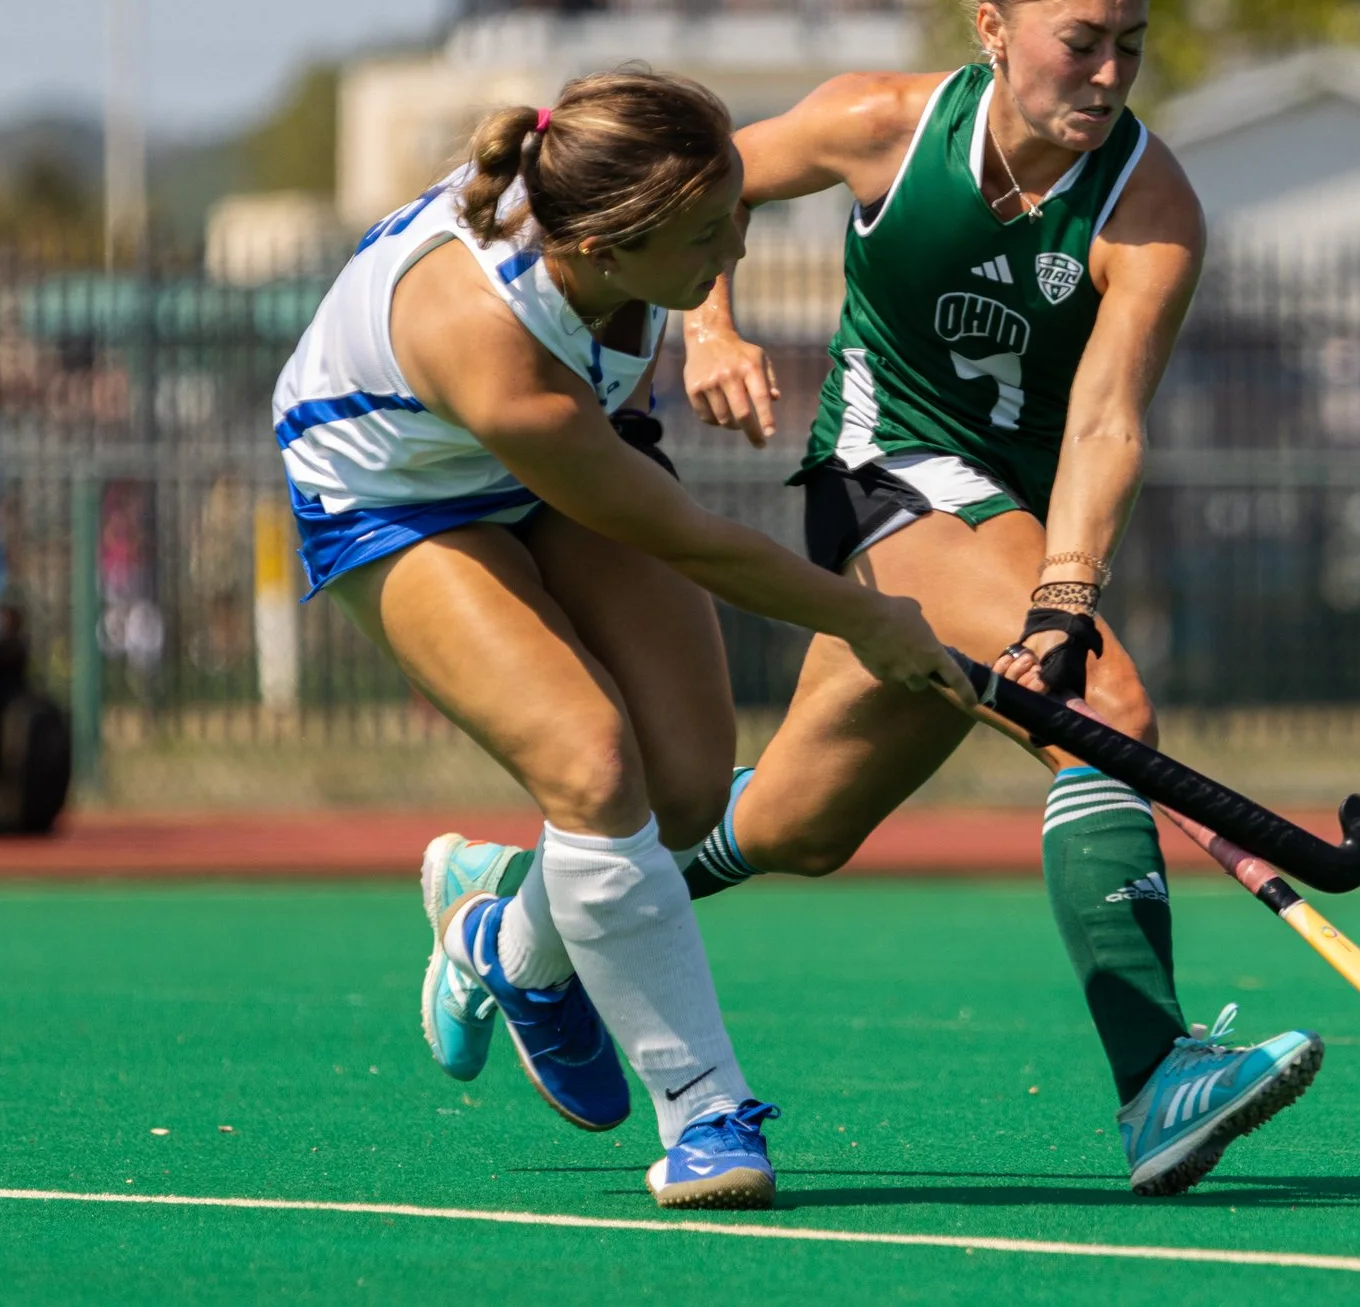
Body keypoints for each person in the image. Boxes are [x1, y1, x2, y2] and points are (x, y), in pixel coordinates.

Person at [429, 0, 1323, 1197]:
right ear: (995, 29)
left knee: (792, 822)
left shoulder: (1153, 206)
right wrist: (711, 329)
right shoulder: (881, 125)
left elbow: (1107, 419)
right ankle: (1155, 1078)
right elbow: (696, 186)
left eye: (1132, 44)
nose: (1111, 74)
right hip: (882, 483)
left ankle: (507, 925)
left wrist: (1062, 590)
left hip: (1007, 520)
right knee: (1102, 703)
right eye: (1082, 43)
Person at [276, 69, 959, 1211]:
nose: (733, 238)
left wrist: (712, 322)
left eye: (735, 207)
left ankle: (506, 937)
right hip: (396, 497)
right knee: (592, 763)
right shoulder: (487, 344)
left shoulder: (635, 188)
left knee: (687, 795)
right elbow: (693, 540)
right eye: (707, 236)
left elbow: (709, 226)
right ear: (600, 251)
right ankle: (703, 1111)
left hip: (575, 435)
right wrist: (870, 615)